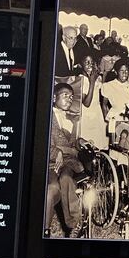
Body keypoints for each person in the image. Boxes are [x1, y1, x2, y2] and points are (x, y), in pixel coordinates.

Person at [44, 83, 85, 237]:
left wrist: (82, 142)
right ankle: (45, 230)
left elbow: (74, 143)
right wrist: (56, 152)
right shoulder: (45, 115)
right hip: (50, 162)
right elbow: (41, 141)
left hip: (68, 162)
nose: (69, 99)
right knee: (51, 189)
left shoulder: (72, 119)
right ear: (54, 97)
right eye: (65, 95)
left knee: (66, 178)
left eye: (71, 96)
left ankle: (74, 224)